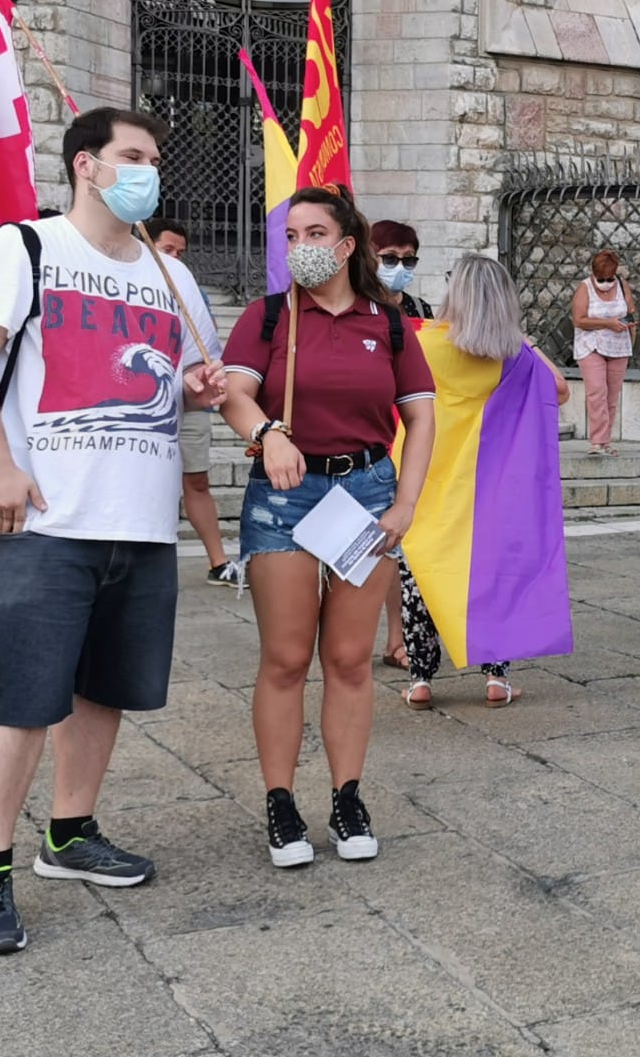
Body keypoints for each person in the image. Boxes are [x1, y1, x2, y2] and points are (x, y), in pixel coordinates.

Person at [0, 106, 226, 953]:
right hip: (45, 518)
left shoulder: (170, 276)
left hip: (139, 521)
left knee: (105, 687)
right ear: (85, 166)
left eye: (153, 159)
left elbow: (182, 383)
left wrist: (202, 388)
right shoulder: (24, 247)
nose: (146, 170)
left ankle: (69, 833)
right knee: (22, 694)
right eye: (130, 155)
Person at [220, 185, 437, 868]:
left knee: (347, 660)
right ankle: (281, 803)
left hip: (365, 493)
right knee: (285, 659)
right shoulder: (265, 318)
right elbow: (233, 392)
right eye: (291, 235)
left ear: (347, 245)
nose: (300, 248)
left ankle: (348, 796)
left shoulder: (390, 323)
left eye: (315, 234)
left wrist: (404, 504)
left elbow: (422, 416)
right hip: (284, 493)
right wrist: (266, 433)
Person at [401, 252, 570, 709]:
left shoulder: (423, 344)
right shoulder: (513, 357)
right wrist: (522, 339)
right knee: (495, 574)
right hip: (492, 486)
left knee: (421, 575)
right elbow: (560, 388)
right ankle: (496, 678)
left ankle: (420, 679)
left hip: (428, 482)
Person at [147, 218, 241, 588]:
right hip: (144, 404)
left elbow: (203, 347)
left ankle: (218, 561)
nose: (175, 258)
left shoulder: (187, 286)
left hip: (186, 403)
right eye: (167, 250)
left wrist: (199, 377)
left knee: (196, 480)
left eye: (180, 253)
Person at [370, 219, 429, 670]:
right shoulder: (358, 306)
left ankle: (403, 636)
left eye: (408, 260)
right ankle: (384, 636)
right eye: (390, 259)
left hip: (409, 432)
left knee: (403, 544)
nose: (400, 268)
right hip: (370, 430)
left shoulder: (420, 308)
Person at [571, 249, 635, 456]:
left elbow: (631, 312)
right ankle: (597, 442)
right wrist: (607, 324)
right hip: (591, 345)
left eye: (610, 278)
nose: (606, 282)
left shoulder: (622, 286)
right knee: (597, 391)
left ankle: (605, 442)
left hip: (619, 347)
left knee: (612, 397)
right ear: (594, 274)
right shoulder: (585, 288)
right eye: (601, 278)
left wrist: (630, 332)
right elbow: (579, 320)